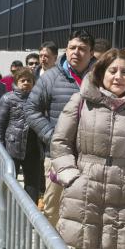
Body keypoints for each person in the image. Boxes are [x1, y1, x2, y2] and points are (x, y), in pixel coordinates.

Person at [51, 48, 125, 249]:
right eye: (112, 70)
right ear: (101, 73)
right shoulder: (82, 101)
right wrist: (71, 176)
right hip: (85, 185)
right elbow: (60, 141)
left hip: (123, 190)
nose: (118, 77)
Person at [25, 30, 96, 226]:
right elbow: (31, 109)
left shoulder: (101, 78)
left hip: (90, 157)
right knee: (53, 209)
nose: (76, 52)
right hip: (57, 156)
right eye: (72, 48)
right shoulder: (51, 77)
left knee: (84, 211)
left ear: (91, 53)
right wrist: (51, 135)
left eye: (82, 49)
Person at [0, 67, 43, 202]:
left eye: (29, 80)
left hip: (33, 148)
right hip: (12, 146)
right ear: (16, 82)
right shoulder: (8, 98)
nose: (26, 83)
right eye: (23, 80)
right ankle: (8, 209)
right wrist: (0, 148)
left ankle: (29, 216)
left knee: (33, 184)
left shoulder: (39, 99)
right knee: (10, 181)